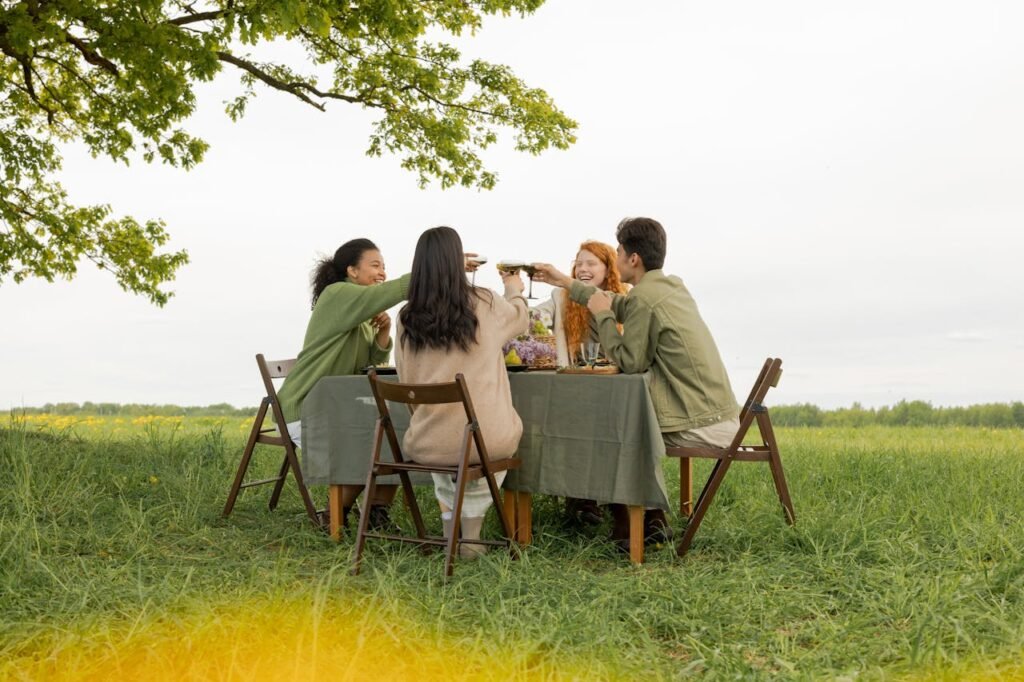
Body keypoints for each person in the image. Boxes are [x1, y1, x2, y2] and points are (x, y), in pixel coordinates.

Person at [532, 217, 740, 552]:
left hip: (703, 422)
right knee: (618, 417)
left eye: (617, 251)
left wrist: (602, 316)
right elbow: (620, 303)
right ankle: (648, 519)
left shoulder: (646, 298)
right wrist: (564, 281)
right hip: (714, 410)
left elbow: (630, 362)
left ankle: (629, 525)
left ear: (633, 259)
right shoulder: (668, 287)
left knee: (615, 424)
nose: (615, 256)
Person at [395, 226, 529, 558]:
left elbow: (404, 376)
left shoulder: (405, 317)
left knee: (447, 442)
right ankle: (471, 534)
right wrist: (514, 290)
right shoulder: (484, 302)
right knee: (490, 441)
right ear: (459, 263)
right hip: (486, 440)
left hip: (427, 441)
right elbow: (521, 321)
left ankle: (448, 530)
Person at [276, 238, 407, 531]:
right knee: (371, 444)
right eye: (375, 265)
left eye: (384, 266)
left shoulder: (360, 312)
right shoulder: (337, 294)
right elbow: (391, 291)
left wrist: (384, 332)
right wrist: (434, 270)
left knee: (396, 434)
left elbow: (371, 363)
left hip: (336, 407)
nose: (382, 273)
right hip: (306, 408)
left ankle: (375, 513)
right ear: (351, 270)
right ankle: (335, 514)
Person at [531, 240, 628, 526]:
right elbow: (540, 314)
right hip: (575, 389)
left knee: (612, 426)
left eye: (591, 263)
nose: (583, 269)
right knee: (575, 422)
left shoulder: (623, 297)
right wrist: (525, 312)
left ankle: (614, 499)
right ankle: (581, 499)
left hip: (615, 387)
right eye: (579, 263)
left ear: (608, 268)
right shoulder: (561, 296)